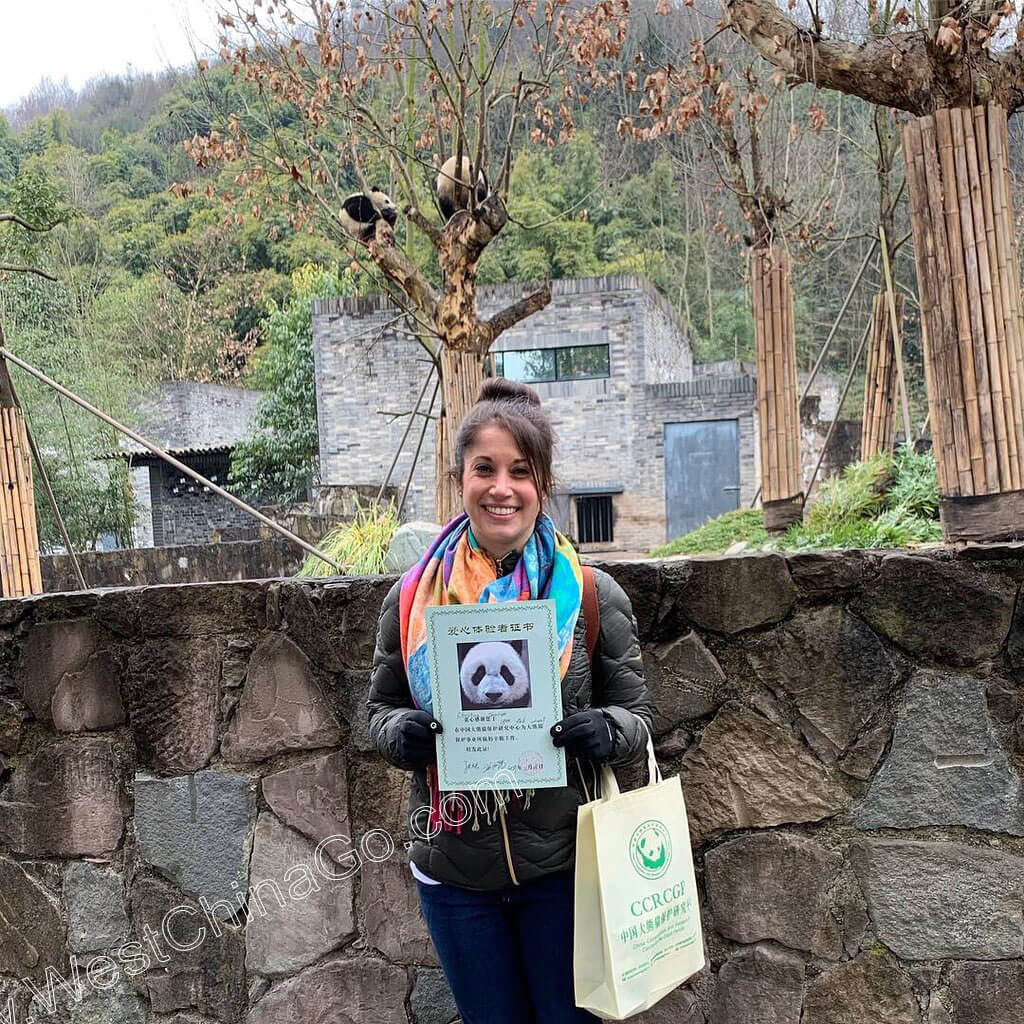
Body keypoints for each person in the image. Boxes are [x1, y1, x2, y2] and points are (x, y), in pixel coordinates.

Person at [367, 377, 653, 1024]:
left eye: (520, 471)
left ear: (541, 483)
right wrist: (399, 734)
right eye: (485, 469)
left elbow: (638, 716)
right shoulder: (412, 602)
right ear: (460, 478)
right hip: (455, 873)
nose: (502, 488)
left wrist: (607, 729)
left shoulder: (588, 594)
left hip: (562, 871)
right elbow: (376, 712)